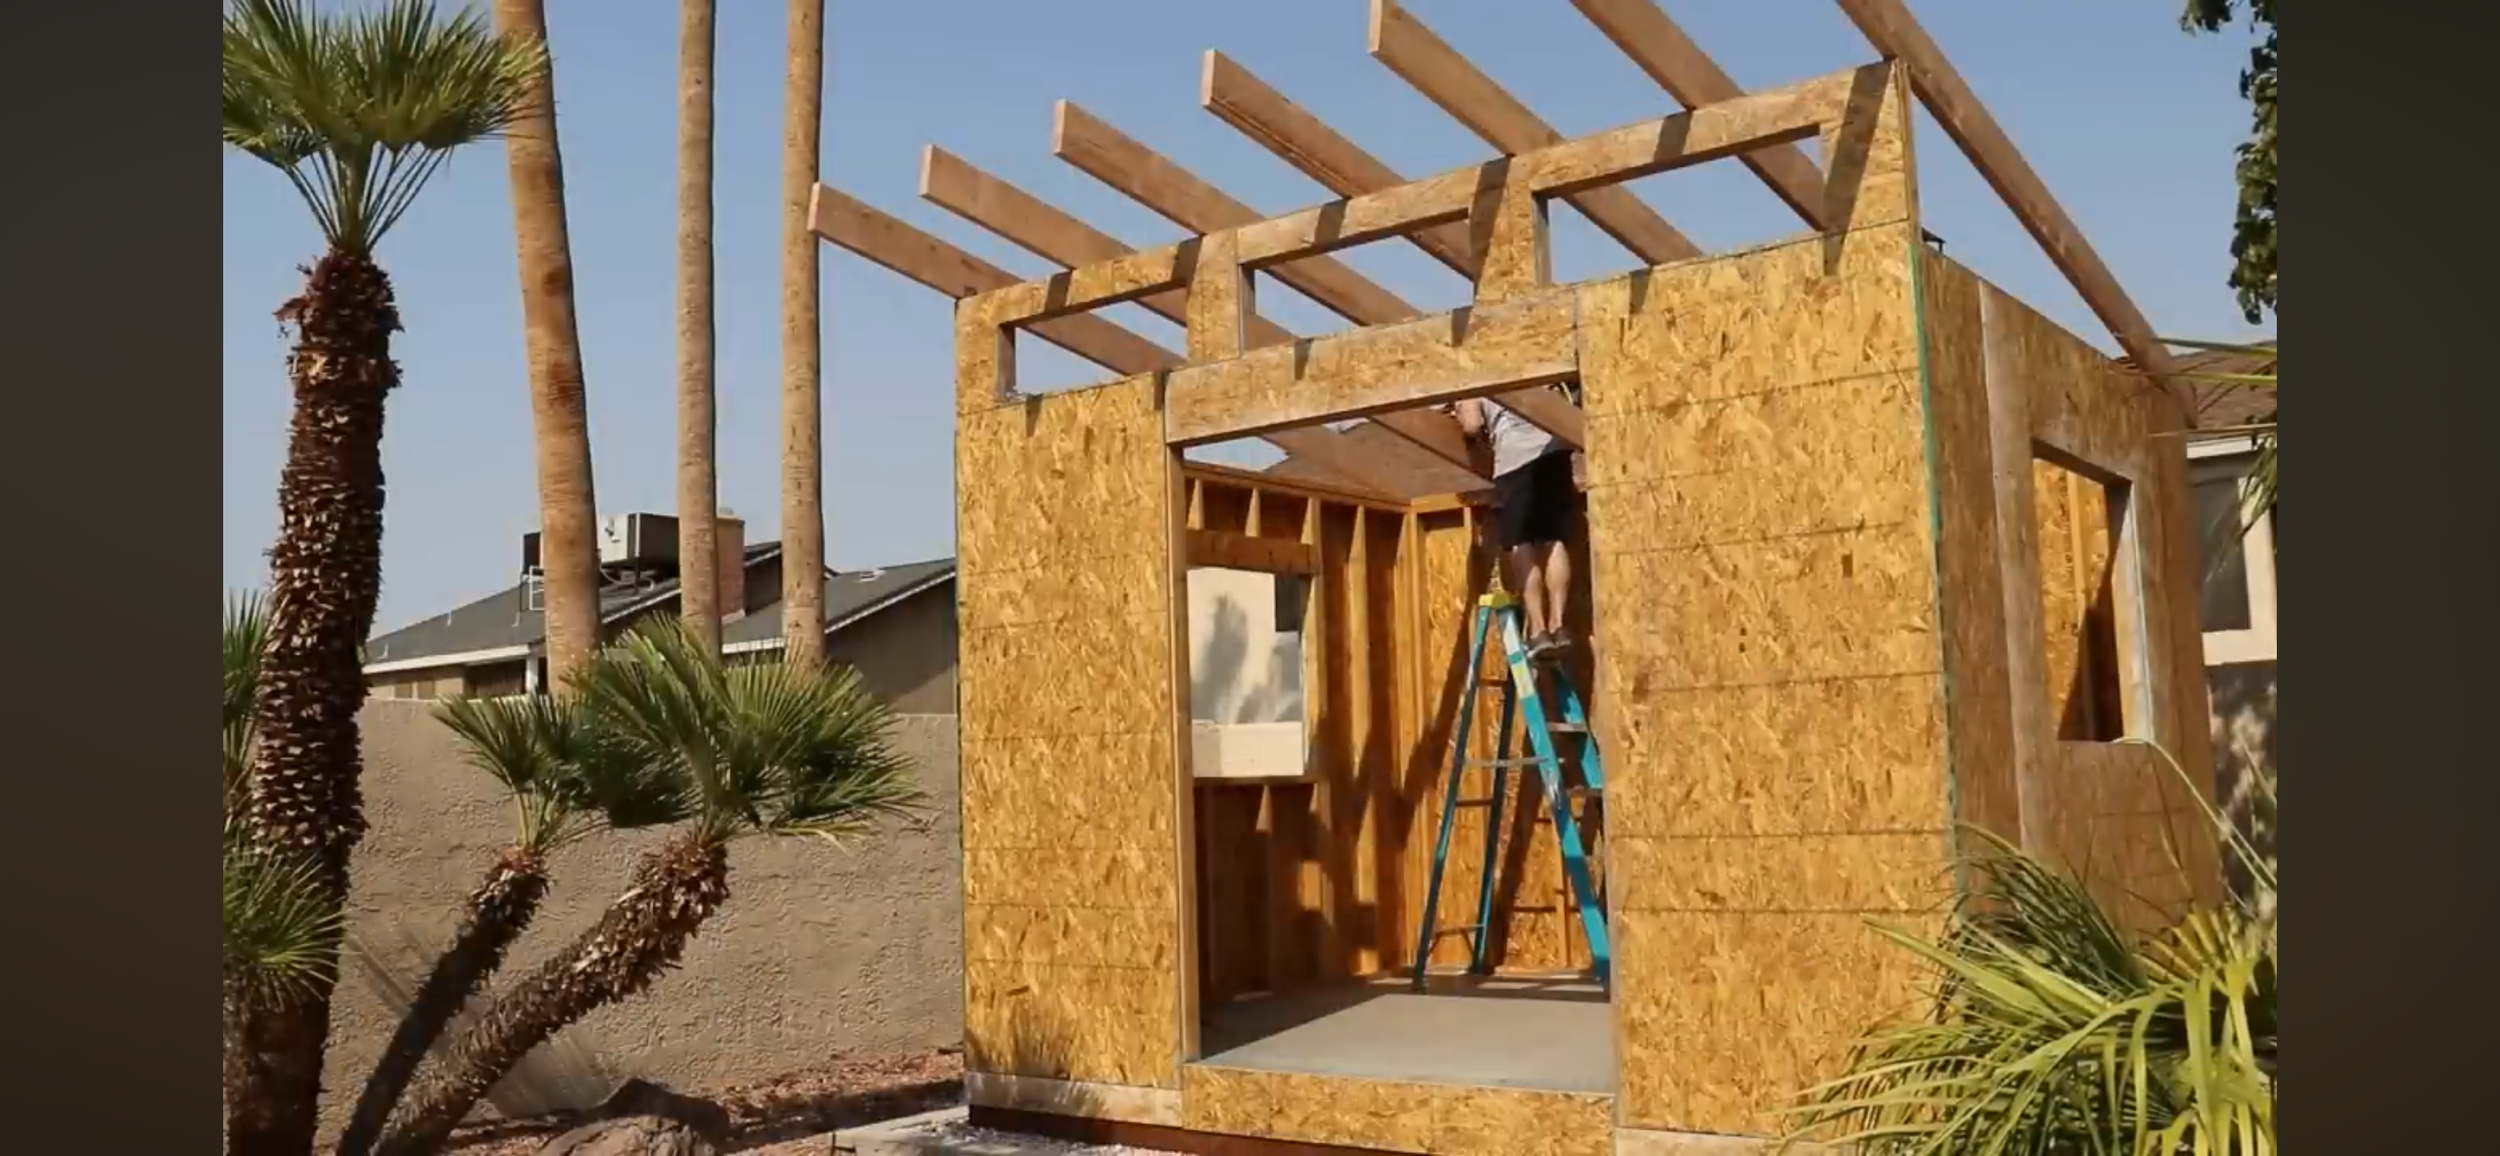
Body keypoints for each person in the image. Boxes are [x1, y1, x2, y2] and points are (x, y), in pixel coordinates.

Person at [1452, 391, 1578, 659]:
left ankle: (1538, 630)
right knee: (1553, 539)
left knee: (1521, 543)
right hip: (1553, 452)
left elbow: (1472, 424)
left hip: (1514, 459)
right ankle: (1559, 624)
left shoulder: (1474, 377)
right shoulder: (1533, 361)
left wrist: (1464, 419)